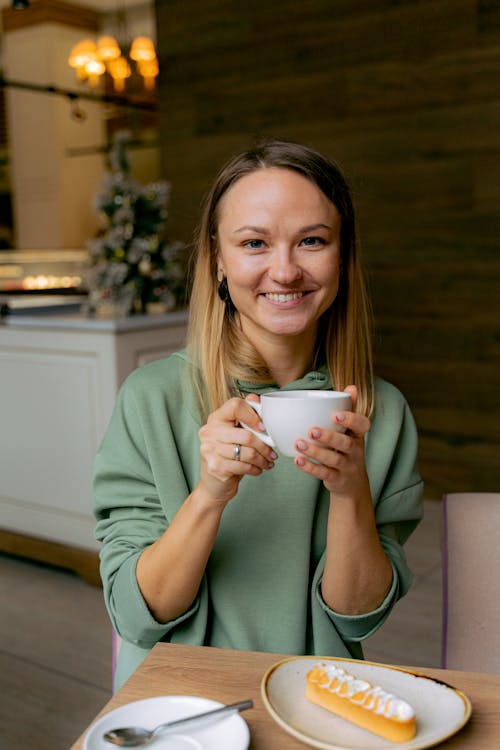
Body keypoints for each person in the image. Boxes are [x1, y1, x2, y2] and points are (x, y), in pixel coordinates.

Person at [93, 139, 423, 691]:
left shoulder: (379, 412)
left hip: (319, 695)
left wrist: (349, 491)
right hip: (175, 702)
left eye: (312, 241)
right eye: (254, 243)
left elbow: (359, 616)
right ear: (218, 260)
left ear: (342, 256)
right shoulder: (150, 399)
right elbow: (135, 614)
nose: (286, 270)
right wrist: (210, 493)